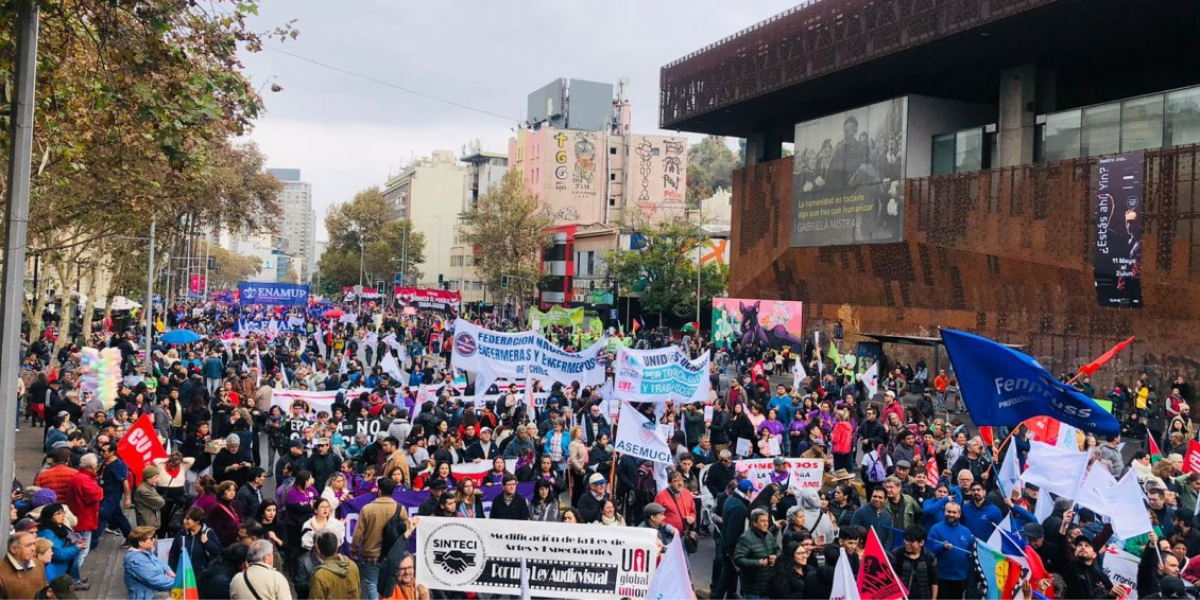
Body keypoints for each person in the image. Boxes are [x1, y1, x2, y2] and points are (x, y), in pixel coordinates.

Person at [351, 476, 404, 600]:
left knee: (371, 583)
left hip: (371, 553)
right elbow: (406, 532)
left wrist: (354, 550)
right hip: (393, 554)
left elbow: (358, 533)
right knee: (391, 584)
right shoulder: (400, 509)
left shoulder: (367, 509)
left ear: (379, 491)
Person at [62, 453, 101, 574]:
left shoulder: (78, 477)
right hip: (84, 520)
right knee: (82, 551)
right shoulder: (85, 481)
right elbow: (96, 495)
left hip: (79, 517)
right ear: (92, 466)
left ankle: (74, 575)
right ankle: (75, 577)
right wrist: (100, 489)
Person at [927, 501, 973, 600]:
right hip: (942, 577)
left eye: (954, 512)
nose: (951, 514)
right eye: (949, 511)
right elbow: (928, 550)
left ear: (959, 514)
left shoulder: (966, 531)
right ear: (944, 512)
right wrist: (941, 546)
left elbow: (971, 551)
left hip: (961, 577)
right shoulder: (936, 529)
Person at [734, 508, 780, 600]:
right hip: (752, 588)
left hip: (768, 585)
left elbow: (777, 550)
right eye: (763, 521)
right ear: (754, 522)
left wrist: (776, 557)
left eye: (767, 520)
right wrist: (758, 563)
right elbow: (738, 559)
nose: (766, 523)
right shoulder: (746, 538)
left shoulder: (769, 535)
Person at [123, 526, 175, 600]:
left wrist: (168, 570)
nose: (153, 540)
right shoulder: (136, 561)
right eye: (151, 539)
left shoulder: (146, 552)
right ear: (141, 543)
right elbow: (157, 580)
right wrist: (176, 581)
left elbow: (159, 562)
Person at [168, 507, 223, 577]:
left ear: (197, 521)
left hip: (202, 577)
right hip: (183, 576)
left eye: (188, 519)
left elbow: (219, 552)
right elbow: (173, 555)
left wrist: (207, 542)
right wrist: (173, 571)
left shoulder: (208, 533)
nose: (184, 521)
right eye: (184, 518)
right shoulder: (181, 534)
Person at [35, 504, 81, 585]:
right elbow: (58, 554)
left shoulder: (59, 528)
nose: (63, 515)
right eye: (58, 513)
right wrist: (76, 547)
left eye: (63, 512)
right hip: (53, 572)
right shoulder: (47, 533)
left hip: (60, 571)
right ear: (50, 516)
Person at [308, 530, 361, 600]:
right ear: (337, 548)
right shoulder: (352, 566)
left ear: (319, 552)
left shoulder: (320, 575)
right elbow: (358, 591)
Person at [891, 525, 938, 600]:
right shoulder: (896, 554)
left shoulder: (930, 557)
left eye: (911, 541)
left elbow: (934, 582)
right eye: (906, 540)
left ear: (921, 542)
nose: (907, 543)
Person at [0, 532, 46, 599]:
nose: (33, 549)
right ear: (14, 549)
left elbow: (44, 592)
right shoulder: (2, 572)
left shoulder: (38, 564)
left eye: (34, 544)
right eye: (28, 545)